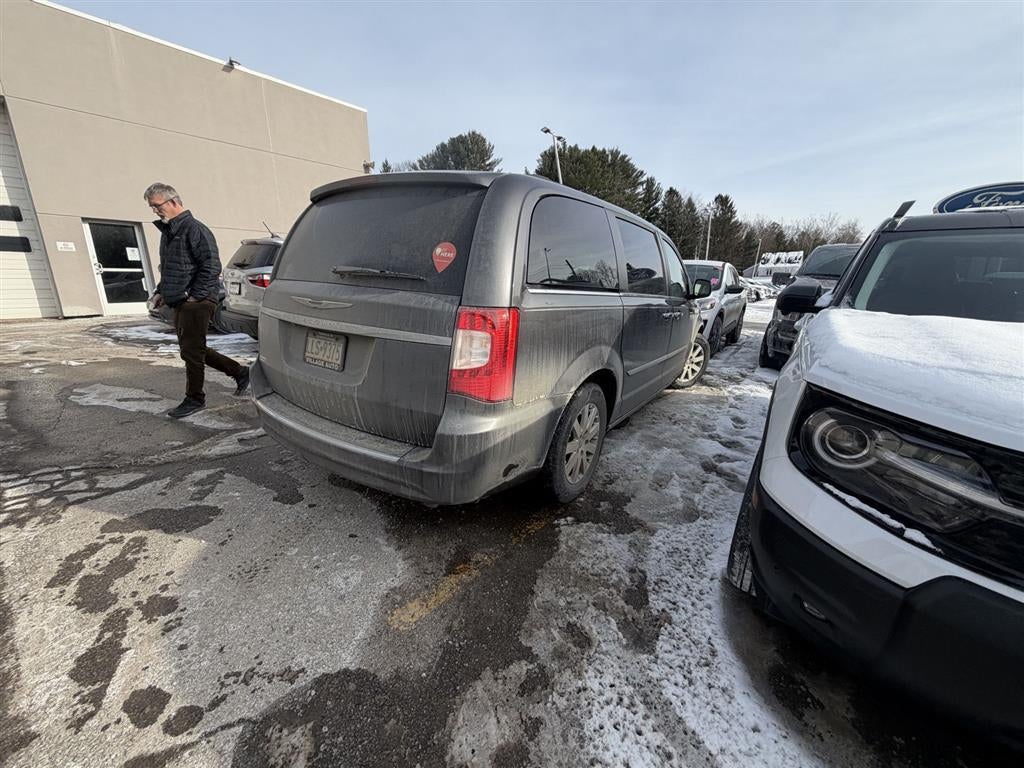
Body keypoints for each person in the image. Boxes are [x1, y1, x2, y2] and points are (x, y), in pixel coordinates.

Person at [144, 183, 249, 418]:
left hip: (198, 300)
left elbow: (211, 265)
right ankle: (240, 372)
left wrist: (195, 296)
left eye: (157, 206)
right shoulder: (170, 232)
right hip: (182, 299)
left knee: (191, 351)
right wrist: (162, 291)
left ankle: (195, 399)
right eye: (152, 207)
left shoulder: (195, 229)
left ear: (173, 202)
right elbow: (171, 269)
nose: (155, 211)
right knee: (193, 349)